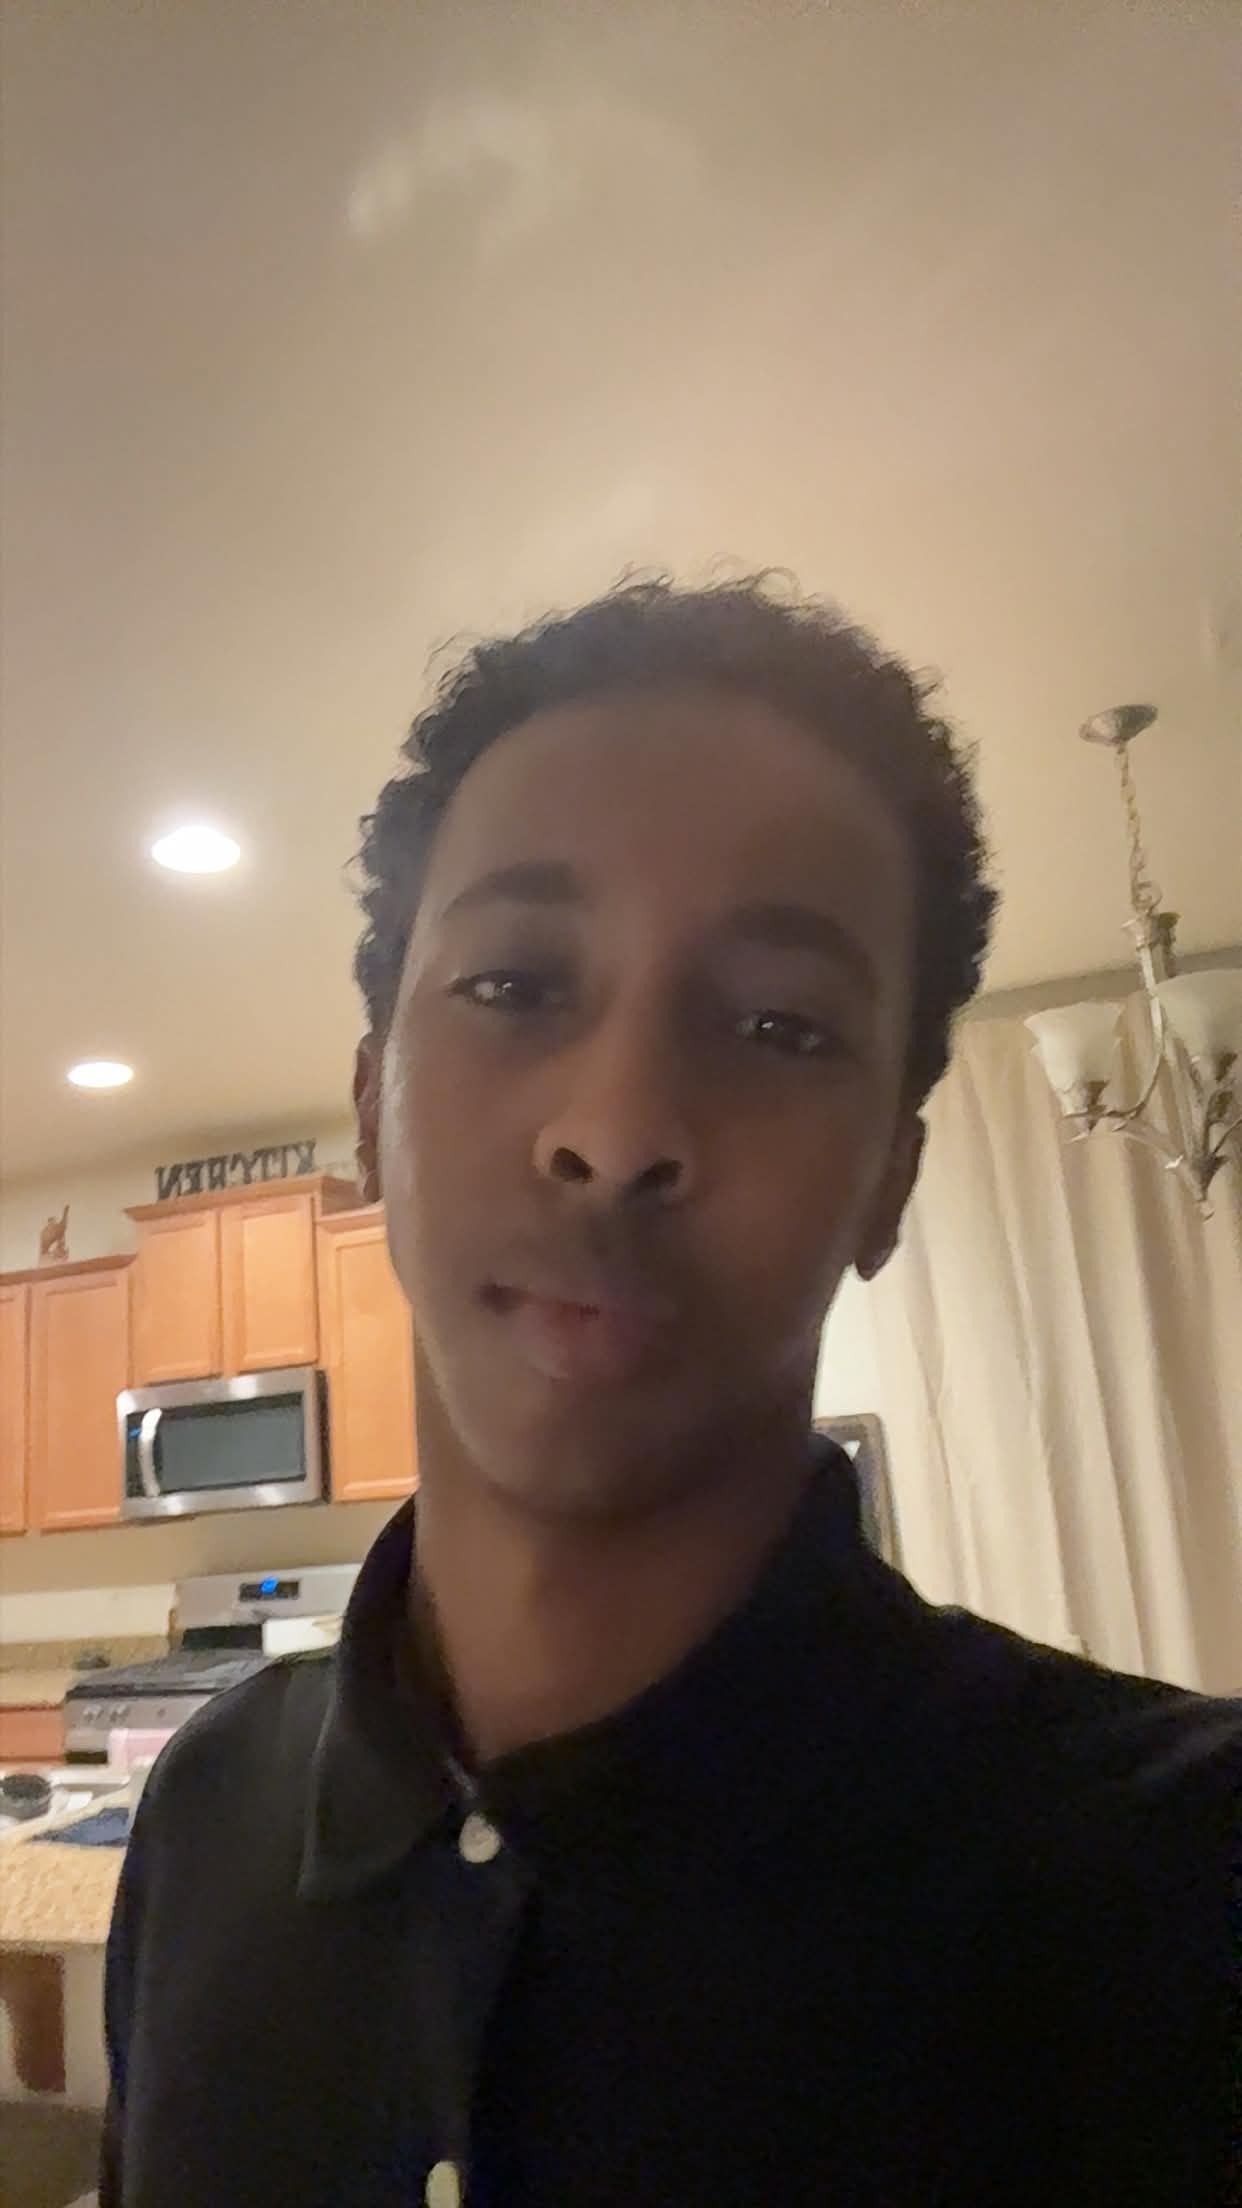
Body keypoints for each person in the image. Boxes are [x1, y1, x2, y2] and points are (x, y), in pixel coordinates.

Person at [101, 578, 1239, 2207]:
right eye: (514, 985)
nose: (619, 1125)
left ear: (888, 1178)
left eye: (778, 1024)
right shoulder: (206, 1815)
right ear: (371, 1109)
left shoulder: (1176, 1890)